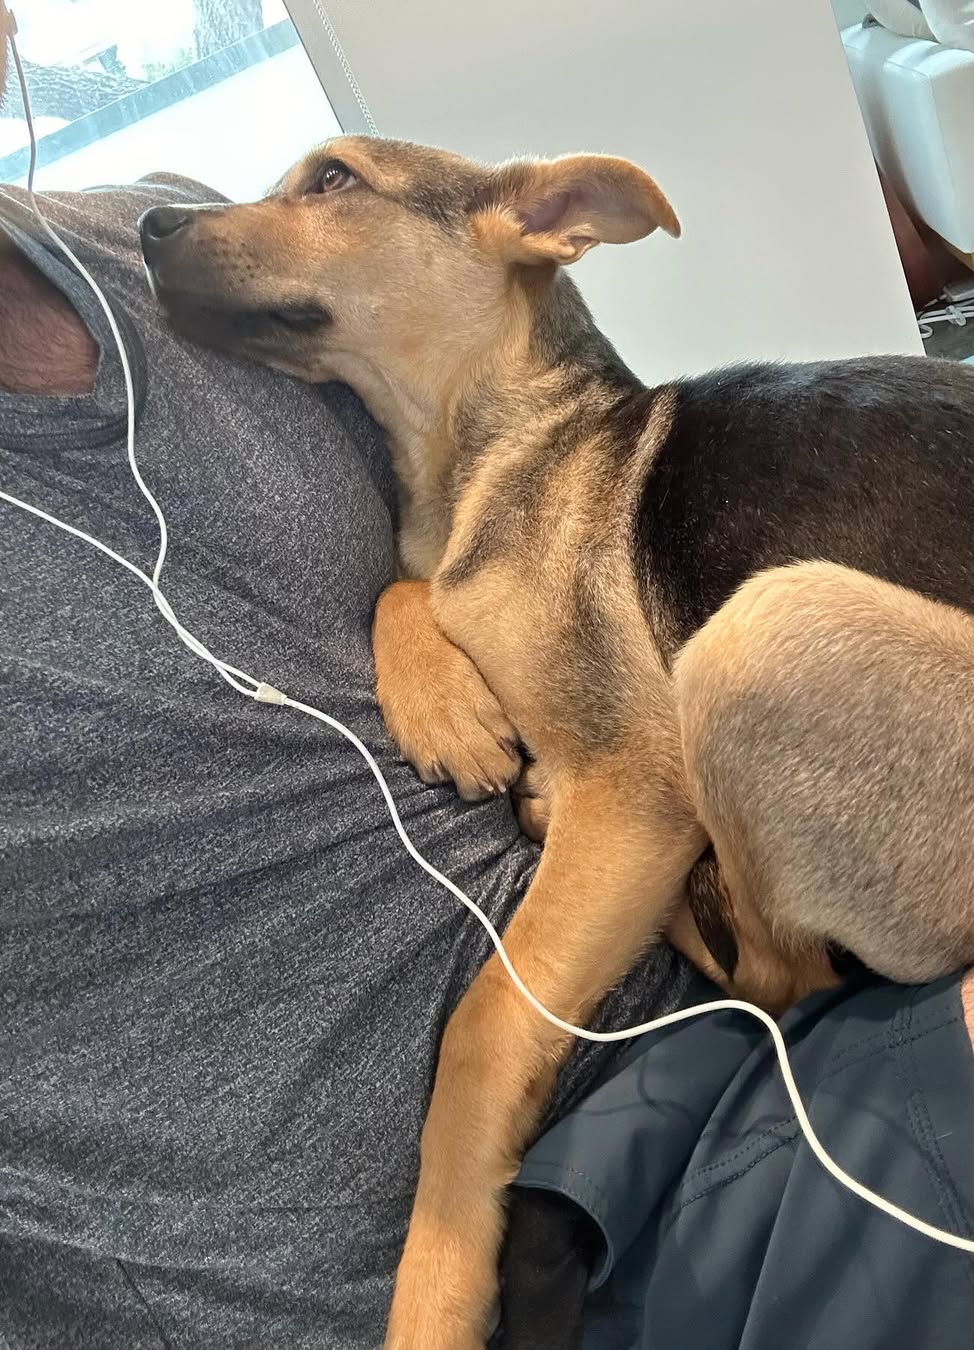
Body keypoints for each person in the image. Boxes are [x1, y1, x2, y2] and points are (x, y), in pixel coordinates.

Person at [2, 16, 974, 1349]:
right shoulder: (457, 515)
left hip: (955, 810)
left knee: (754, 666)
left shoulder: (170, 252)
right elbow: (458, 579)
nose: (245, 217)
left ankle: (778, 948)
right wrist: (413, 621)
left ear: (534, 222)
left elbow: (608, 729)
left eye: (323, 184)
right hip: (589, 1211)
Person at [0, 17, 685, 1346]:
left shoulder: (186, 256)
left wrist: (405, 614)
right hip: (387, 1278)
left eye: (322, 191)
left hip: (686, 993)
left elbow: (457, 515)